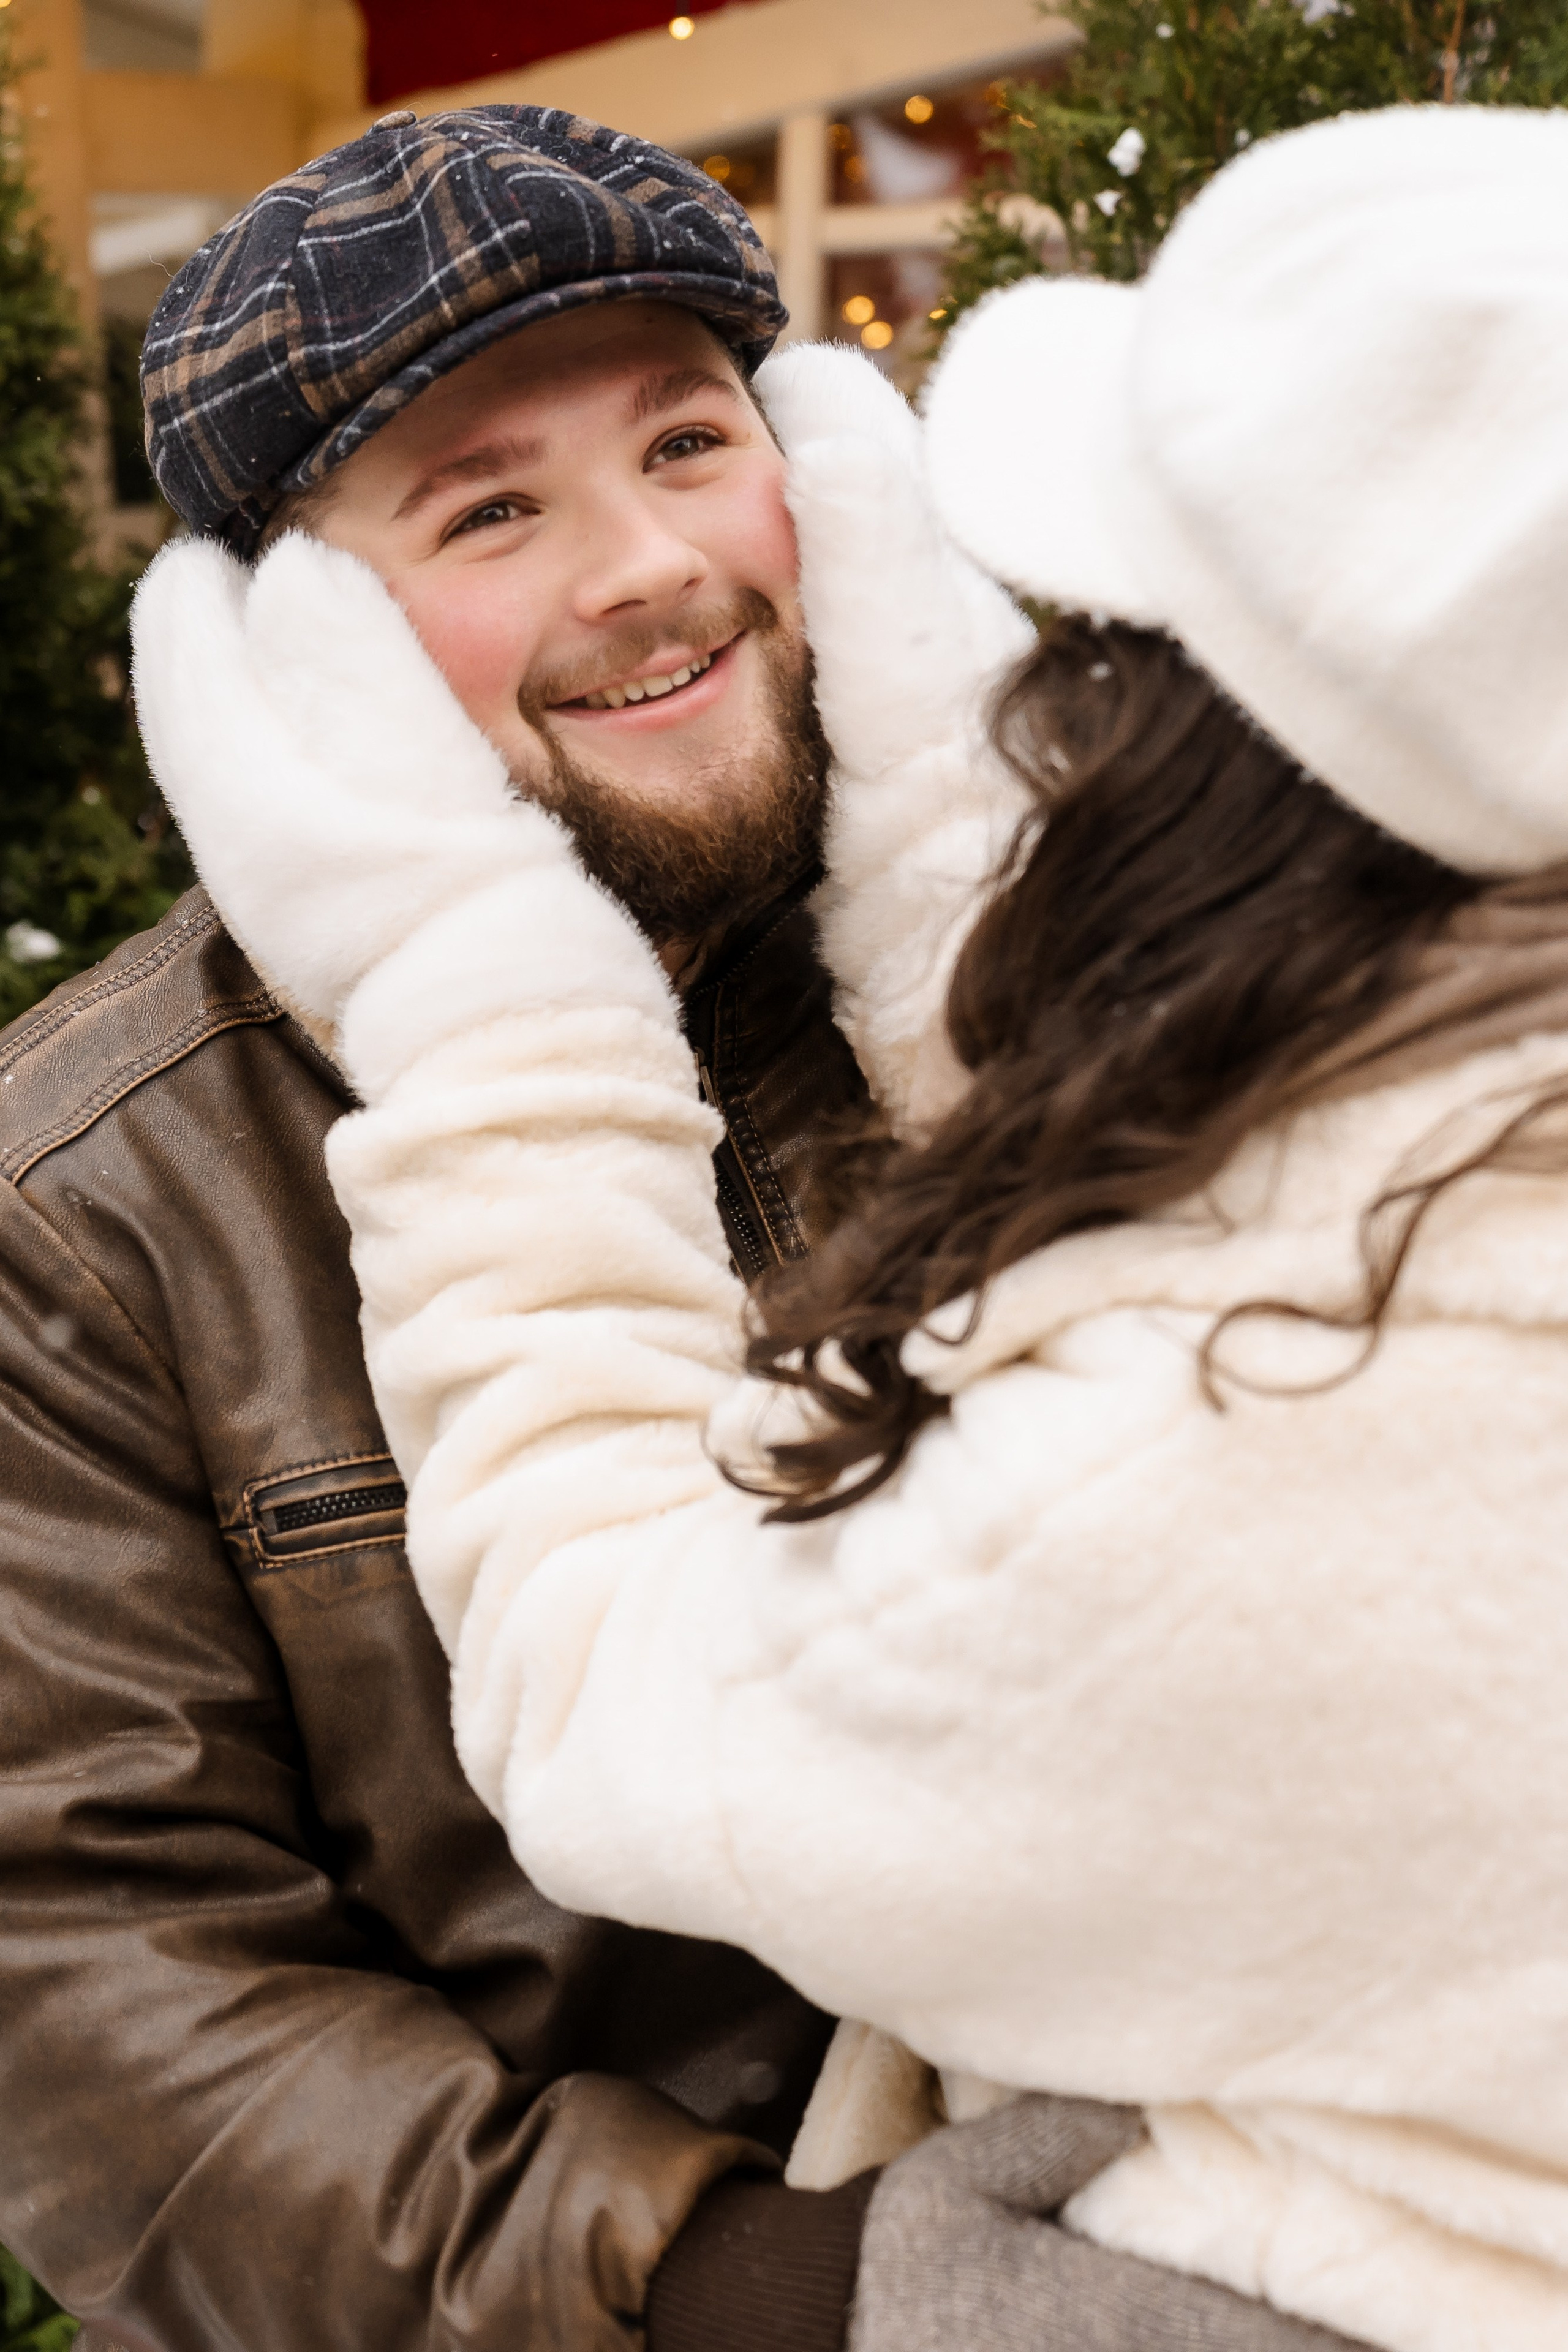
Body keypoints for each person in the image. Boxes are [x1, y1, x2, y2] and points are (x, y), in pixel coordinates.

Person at [138, 100, 1568, 2352]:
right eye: (493, 507)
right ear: (283, 660)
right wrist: (713, 2281)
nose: (645, 568)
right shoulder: (94, 1188)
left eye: (696, 443)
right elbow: (118, 1974)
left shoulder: (1246, 1114)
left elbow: (640, 1682)